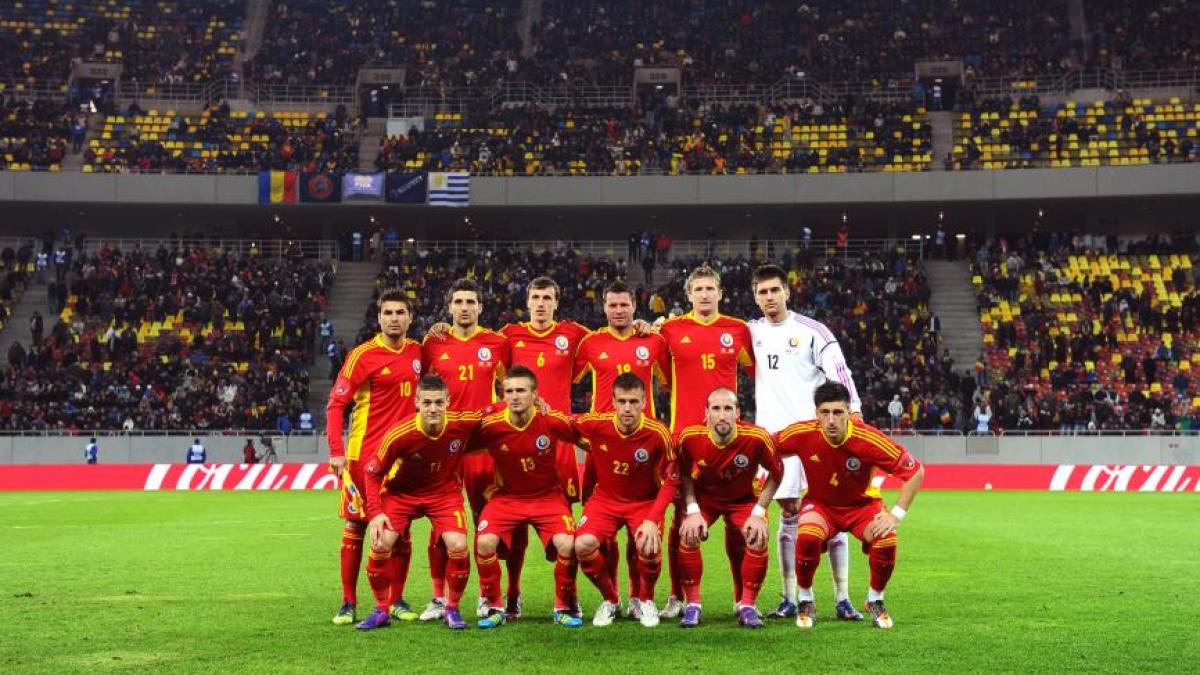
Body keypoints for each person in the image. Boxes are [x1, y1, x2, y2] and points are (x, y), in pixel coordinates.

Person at [748, 264, 864, 621]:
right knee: (789, 513)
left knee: (834, 514)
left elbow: (839, 373)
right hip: (774, 440)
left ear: (787, 291)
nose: (769, 297)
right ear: (755, 296)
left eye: (774, 290)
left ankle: (842, 598)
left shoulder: (813, 331)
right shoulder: (749, 332)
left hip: (817, 439)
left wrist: (854, 414)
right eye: (762, 292)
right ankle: (789, 596)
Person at [775, 382, 924, 629]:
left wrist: (895, 515)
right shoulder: (802, 433)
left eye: (838, 413)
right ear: (817, 414)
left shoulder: (868, 438)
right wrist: (774, 488)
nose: (831, 420)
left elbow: (915, 471)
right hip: (821, 506)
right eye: (825, 413)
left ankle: (875, 599)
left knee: (887, 537)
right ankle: (805, 599)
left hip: (861, 507)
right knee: (808, 536)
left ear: (848, 413)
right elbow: (766, 448)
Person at [655, 265, 753, 619]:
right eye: (699, 289)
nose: (705, 294)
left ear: (721, 293)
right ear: (689, 294)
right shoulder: (669, 330)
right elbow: (661, 375)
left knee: (736, 520)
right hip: (685, 439)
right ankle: (677, 596)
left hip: (730, 440)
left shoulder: (738, 330)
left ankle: (742, 597)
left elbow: (760, 371)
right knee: (680, 519)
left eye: (711, 288)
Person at [324, 290, 423, 627]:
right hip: (362, 459)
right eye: (387, 313)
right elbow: (336, 404)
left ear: (410, 317)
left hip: (404, 460)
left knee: (402, 530)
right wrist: (337, 453)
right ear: (379, 318)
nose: (394, 318)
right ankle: (348, 602)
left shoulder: (419, 353)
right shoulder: (362, 356)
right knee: (356, 526)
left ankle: (396, 599)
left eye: (400, 312)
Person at [355, 375, 484, 631]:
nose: (433, 408)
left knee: (458, 545)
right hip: (402, 494)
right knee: (380, 544)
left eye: (438, 402)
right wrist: (375, 514)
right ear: (416, 402)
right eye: (426, 403)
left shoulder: (462, 423)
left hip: (444, 494)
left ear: (448, 401)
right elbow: (372, 472)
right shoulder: (400, 433)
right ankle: (381, 610)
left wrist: (537, 403)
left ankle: (452, 609)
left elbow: (494, 411)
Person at [573, 279, 670, 617]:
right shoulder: (590, 343)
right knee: (603, 532)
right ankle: (611, 598)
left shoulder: (653, 341)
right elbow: (566, 376)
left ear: (634, 305)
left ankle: (639, 598)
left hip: (646, 445)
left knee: (641, 533)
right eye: (612, 305)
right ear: (604, 307)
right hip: (602, 445)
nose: (618, 310)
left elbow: (669, 381)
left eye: (623, 304)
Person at [420, 278, 511, 622]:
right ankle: (438, 597)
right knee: (441, 525)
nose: (464, 307)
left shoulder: (497, 343)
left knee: (485, 524)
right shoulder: (433, 343)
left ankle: (487, 597)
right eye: (458, 301)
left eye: (470, 301)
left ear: (480, 307)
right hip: (442, 448)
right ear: (449, 307)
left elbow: (510, 390)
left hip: (482, 448)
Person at [471, 366, 582, 629]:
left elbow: (588, 435)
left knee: (568, 544)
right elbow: (456, 438)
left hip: (547, 497)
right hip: (506, 498)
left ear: (535, 395)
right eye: (509, 391)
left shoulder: (551, 420)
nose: (515, 396)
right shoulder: (491, 425)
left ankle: (563, 605)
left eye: (521, 390)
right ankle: (495, 606)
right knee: (484, 541)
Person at [572, 373, 677, 627]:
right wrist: (539, 409)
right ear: (613, 402)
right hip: (605, 499)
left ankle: (645, 600)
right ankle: (610, 600)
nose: (627, 408)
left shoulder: (657, 432)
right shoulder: (598, 424)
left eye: (633, 401)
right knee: (582, 545)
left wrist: (653, 520)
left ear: (644, 402)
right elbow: (563, 425)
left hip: (643, 502)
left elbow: (672, 480)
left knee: (648, 546)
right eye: (622, 401)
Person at [676, 388, 782, 628]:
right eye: (716, 409)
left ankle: (747, 606)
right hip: (707, 499)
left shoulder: (757, 438)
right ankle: (692, 605)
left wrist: (758, 512)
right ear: (706, 414)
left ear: (738, 413)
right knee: (688, 533)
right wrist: (692, 509)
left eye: (728, 409)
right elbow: (683, 473)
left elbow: (777, 473)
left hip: (743, 499)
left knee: (758, 536)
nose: (722, 415)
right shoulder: (690, 437)